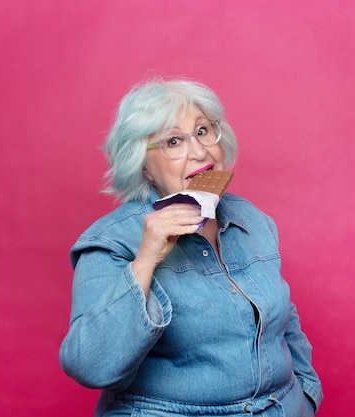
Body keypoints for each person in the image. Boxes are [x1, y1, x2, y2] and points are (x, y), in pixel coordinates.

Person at [59, 79, 323, 417]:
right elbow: (89, 366)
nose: (199, 152)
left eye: (202, 131)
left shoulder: (253, 221)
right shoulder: (111, 242)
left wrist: (305, 393)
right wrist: (146, 259)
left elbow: (285, 320)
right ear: (142, 165)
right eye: (173, 141)